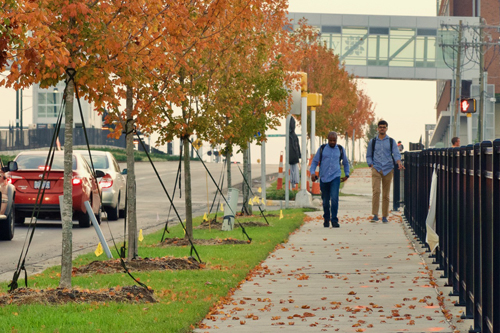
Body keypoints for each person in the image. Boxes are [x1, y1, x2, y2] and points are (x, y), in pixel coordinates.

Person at [366, 120, 404, 223]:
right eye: (380, 127)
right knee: (376, 191)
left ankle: (384, 216)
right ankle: (375, 215)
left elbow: (396, 153)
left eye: (384, 127)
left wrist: (399, 162)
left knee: (386, 194)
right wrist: (370, 164)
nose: (382, 128)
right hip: (376, 168)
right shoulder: (372, 142)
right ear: (377, 129)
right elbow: (369, 155)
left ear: (386, 128)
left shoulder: (391, 141)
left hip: (388, 168)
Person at [310, 131, 350, 228]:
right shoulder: (322, 149)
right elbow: (315, 162)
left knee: (335, 198)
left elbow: (346, 162)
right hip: (323, 178)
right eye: (330, 140)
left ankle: (334, 219)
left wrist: (347, 174)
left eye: (334, 140)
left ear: (336, 140)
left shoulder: (340, 149)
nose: (332, 142)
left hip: (335, 177)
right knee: (325, 200)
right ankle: (326, 218)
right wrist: (312, 173)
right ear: (327, 139)